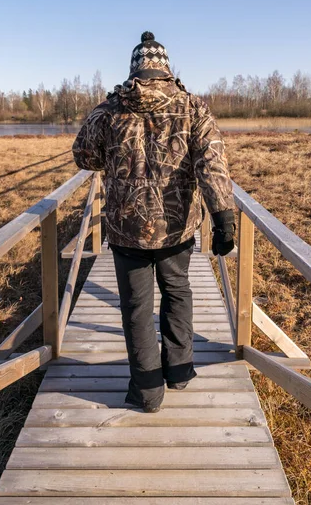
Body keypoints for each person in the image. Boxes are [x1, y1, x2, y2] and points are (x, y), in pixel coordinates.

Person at [73, 31, 235, 413]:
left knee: (136, 307)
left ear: (135, 70)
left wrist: (113, 162)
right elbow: (210, 162)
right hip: (177, 226)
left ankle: (147, 393)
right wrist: (222, 215)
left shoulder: (109, 109)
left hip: (126, 228)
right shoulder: (193, 107)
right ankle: (178, 372)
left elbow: (83, 155)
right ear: (166, 69)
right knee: (177, 292)